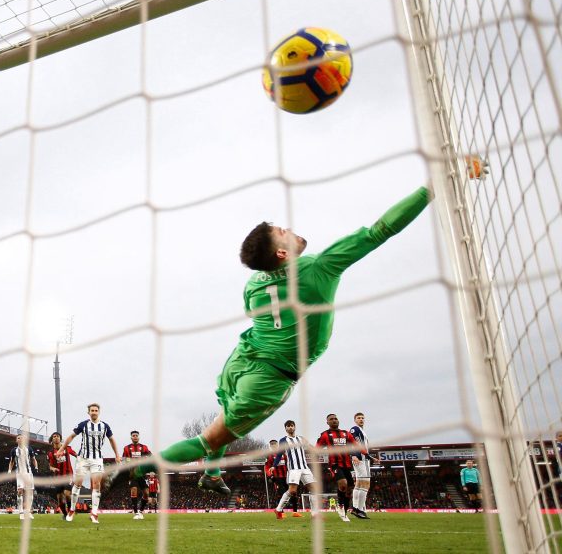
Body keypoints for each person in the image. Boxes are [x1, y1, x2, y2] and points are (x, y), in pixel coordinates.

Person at [135, 186, 439, 492]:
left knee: (225, 420)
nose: (290, 230)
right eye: (283, 231)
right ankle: (136, 469)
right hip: (270, 377)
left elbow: (252, 312)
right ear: (282, 253)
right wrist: (429, 190)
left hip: (240, 360)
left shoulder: (254, 283)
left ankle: (212, 475)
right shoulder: (320, 267)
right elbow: (380, 230)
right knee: (209, 439)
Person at [56, 403, 121, 524]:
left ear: (99, 412)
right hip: (83, 459)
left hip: (97, 459)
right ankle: (72, 510)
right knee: (78, 483)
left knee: (97, 484)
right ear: (88, 412)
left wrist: (117, 454)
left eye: (96, 410)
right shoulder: (83, 424)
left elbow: (112, 439)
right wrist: (61, 449)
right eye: (92, 410)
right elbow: (71, 436)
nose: (94, 412)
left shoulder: (104, 426)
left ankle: (94, 513)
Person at [317, 414, 361, 522]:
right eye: (331, 419)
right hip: (335, 464)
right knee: (343, 483)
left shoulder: (346, 433)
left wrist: (357, 455)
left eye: (336, 418)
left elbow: (355, 446)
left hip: (347, 465)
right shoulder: (325, 435)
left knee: (349, 489)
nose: (334, 420)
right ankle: (340, 506)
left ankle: (344, 512)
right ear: (327, 422)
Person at [269, 420, 315, 520]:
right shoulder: (283, 440)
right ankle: (278, 509)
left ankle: (315, 514)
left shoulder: (301, 438)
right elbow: (279, 454)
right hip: (294, 469)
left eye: (292, 426)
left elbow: (310, 447)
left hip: (305, 468)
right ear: (285, 428)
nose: (290, 427)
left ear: (295, 427)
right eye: (288, 426)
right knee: (292, 491)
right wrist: (274, 465)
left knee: (314, 489)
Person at [348, 412, 378, 519]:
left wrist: (370, 457)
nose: (361, 419)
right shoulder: (354, 429)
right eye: (359, 418)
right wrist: (353, 455)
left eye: (362, 418)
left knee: (359, 484)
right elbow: (352, 443)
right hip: (361, 459)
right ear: (355, 420)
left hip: (363, 458)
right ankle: (360, 509)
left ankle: (356, 508)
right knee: (365, 484)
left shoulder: (361, 431)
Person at [7, 433, 39, 520]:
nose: (20, 439)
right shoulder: (14, 450)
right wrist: (9, 471)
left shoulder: (29, 449)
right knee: (20, 491)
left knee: (30, 492)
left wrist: (36, 467)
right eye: (18, 438)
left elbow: (33, 459)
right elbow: (11, 462)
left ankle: (28, 511)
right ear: (16, 440)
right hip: (20, 474)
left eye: (22, 438)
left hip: (29, 474)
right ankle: (21, 512)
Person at [122, 430, 152, 519]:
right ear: (131, 437)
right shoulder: (126, 448)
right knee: (134, 490)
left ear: (138, 437)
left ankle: (141, 511)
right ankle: (135, 512)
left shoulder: (144, 447)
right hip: (132, 473)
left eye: (136, 435)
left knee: (146, 493)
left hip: (142, 473)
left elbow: (151, 456)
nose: (135, 437)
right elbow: (124, 460)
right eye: (133, 435)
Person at [47, 432, 77, 519]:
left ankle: (70, 512)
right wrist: (53, 469)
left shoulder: (67, 448)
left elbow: (76, 455)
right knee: (59, 498)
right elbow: (51, 466)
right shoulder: (51, 453)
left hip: (68, 476)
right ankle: (65, 514)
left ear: (60, 438)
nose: (56, 438)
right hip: (58, 478)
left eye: (58, 436)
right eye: (54, 437)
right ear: (52, 439)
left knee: (67, 494)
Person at [266, 438, 300, 517]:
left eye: (275, 444)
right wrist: (270, 476)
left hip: (287, 477)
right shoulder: (269, 456)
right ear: (270, 446)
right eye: (272, 445)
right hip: (277, 478)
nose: (274, 446)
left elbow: (289, 464)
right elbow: (267, 467)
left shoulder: (284, 454)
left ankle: (295, 512)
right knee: (281, 494)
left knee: (293, 492)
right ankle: (281, 512)